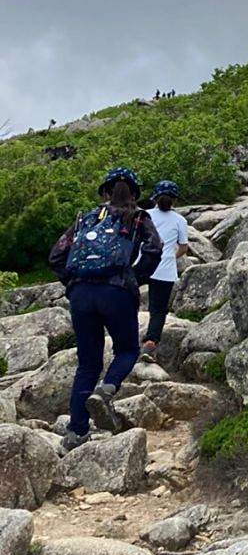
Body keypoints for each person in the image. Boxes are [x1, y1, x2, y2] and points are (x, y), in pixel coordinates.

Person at [48, 167, 162, 451]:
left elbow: (56, 255)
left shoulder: (85, 218)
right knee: (126, 350)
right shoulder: (138, 217)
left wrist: (73, 283)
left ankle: (75, 433)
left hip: (81, 294)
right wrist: (135, 278)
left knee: (87, 364)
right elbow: (155, 249)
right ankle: (107, 388)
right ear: (134, 193)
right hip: (116, 291)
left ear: (106, 192)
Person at [142, 179, 189, 358]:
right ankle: (150, 342)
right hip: (164, 269)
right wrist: (169, 256)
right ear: (175, 200)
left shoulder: (144, 215)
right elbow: (183, 248)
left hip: (142, 265)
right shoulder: (180, 220)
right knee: (158, 309)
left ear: (154, 198)